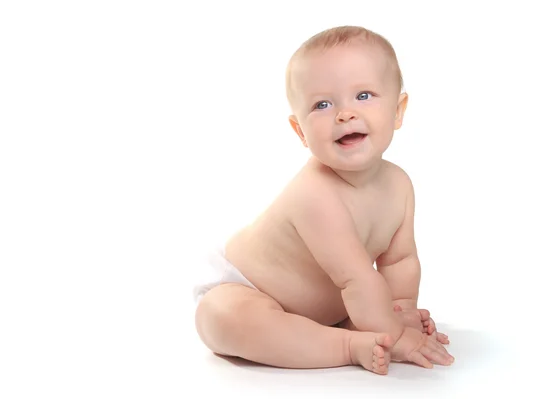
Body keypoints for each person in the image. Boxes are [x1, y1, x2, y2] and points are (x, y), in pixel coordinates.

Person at [192, 25, 454, 375]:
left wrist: (400, 309)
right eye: (322, 104)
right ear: (300, 131)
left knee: (370, 300)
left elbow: (400, 260)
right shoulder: (315, 194)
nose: (344, 114)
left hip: (335, 305)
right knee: (220, 318)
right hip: (250, 289)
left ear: (398, 110)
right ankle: (347, 344)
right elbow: (357, 279)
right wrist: (395, 337)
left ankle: (349, 327)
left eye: (363, 96)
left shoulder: (400, 184)